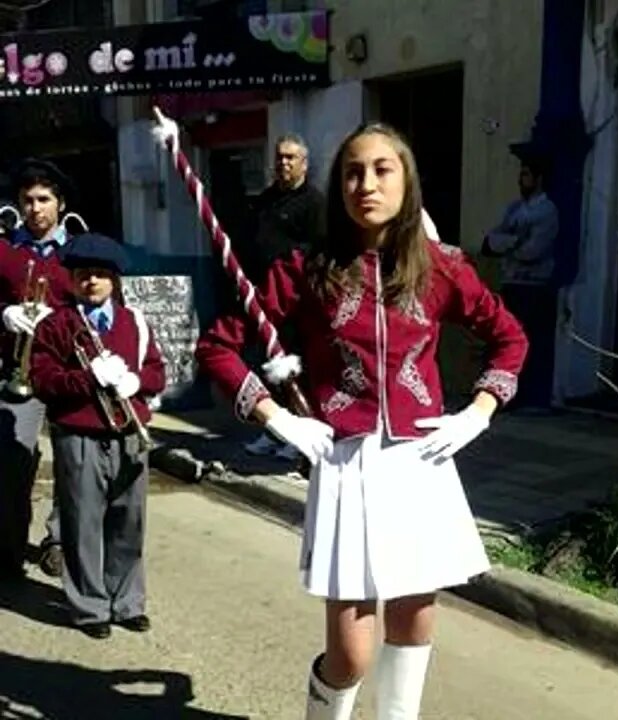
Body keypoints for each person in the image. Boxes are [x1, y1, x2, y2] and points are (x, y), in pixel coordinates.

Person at [194, 122, 528, 719]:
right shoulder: (306, 268)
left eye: (382, 169)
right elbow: (218, 346)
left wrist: (477, 412)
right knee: (351, 652)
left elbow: (509, 338)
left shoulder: (442, 268)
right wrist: (275, 418)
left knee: (414, 624)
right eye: (352, 171)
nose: (366, 184)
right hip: (345, 463)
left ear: (407, 181)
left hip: (420, 461)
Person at [27, 233, 165, 639]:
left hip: (127, 433)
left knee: (129, 522)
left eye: (101, 275)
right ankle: (90, 608)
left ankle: (127, 602)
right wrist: (87, 379)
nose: (92, 282)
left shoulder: (134, 322)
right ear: (71, 279)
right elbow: (43, 380)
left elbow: (157, 371)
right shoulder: (57, 324)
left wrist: (136, 380)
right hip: (79, 435)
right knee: (83, 523)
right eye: (84, 275)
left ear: (114, 280)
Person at [0, 159, 84, 583]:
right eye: (27, 201)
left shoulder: (80, 252)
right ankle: (9, 549)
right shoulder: (4, 251)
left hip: (69, 372)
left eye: (44, 200)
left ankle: (58, 542)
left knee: (72, 464)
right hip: (19, 369)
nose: (35, 209)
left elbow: (102, 307)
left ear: (60, 204)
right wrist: (4, 313)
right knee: (12, 464)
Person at [239, 134, 326, 461]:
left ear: (304, 163)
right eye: (279, 157)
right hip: (263, 299)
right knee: (269, 366)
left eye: (291, 158)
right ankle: (274, 431)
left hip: (297, 304)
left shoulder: (315, 204)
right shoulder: (265, 200)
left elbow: (319, 251)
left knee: (295, 368)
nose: (283, 163)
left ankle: (298, 433)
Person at [481, 156, 559, 411]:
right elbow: (491, 240)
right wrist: (513, 241)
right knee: (504, 338)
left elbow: (532, 251)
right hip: (511, 283)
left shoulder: (547, 210)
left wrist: (509, 243)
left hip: (534, 287)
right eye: (521, 175)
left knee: (528, 343)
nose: (520, 180)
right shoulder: (515, 209)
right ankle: (507, 396)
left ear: (538, 179)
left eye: (526, 175)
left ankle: (530, 399)